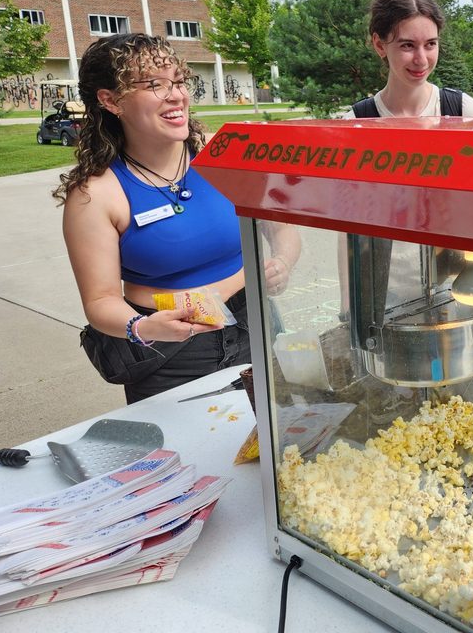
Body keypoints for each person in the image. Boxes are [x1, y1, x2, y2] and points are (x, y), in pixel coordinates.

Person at [54, 33, 300, 404]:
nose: (176, 96)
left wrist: (281, 261)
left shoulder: (227, 155)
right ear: (110, 100)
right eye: (155, 85)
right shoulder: (95, 195)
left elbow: (282, 229)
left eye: (179, 82)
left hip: (257, 322)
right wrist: (142, 327)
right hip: (170, 352)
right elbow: (101, 300)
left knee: (277, 442)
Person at [344, 0, 473, 119]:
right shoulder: (354, 123)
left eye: (430, 44)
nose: (421, 60)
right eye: (407, 45)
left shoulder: (465, 113)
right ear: (380, 45)